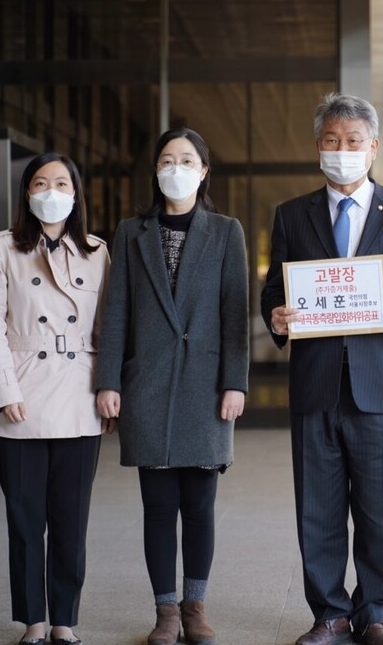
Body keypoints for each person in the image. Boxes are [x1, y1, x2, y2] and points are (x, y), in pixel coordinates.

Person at [260, 93, 383, 645]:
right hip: (316, 381)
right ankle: (329, 614)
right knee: (317, 507)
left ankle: (376, 613)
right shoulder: (292, 215)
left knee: (379, 509)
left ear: (373, 148)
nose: (343, 151)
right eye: (333, 142)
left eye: (354, 142)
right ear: (319, 146)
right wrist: (278, 316)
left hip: (381, 383)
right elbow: (275, 289)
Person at [95, 128, 249, 645]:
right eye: (167, 158)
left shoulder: (227, 232)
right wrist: (109, 380)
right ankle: (164, 610)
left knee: (200, 505)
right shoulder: (130, 231)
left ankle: (195, 607)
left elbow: (235, 312)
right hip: (149, 385)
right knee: (158, 507)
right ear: (155, 169)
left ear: (204, 170)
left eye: (187, 159)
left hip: (207, 387)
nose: (176, 167)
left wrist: (236, 382)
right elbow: (116, 311)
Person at [0, 152, 112, 645]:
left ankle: (65, 621)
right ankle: (34, 619)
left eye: (60, 182)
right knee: (25, 517)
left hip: (79, 394)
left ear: (76, 193)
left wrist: (108, 386)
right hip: (22, 392)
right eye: (40, 182)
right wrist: (4, 389)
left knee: (71, 519)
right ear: (27, 192)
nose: (50, 191)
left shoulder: (98, 250)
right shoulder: (4, 247)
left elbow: (108, 327)